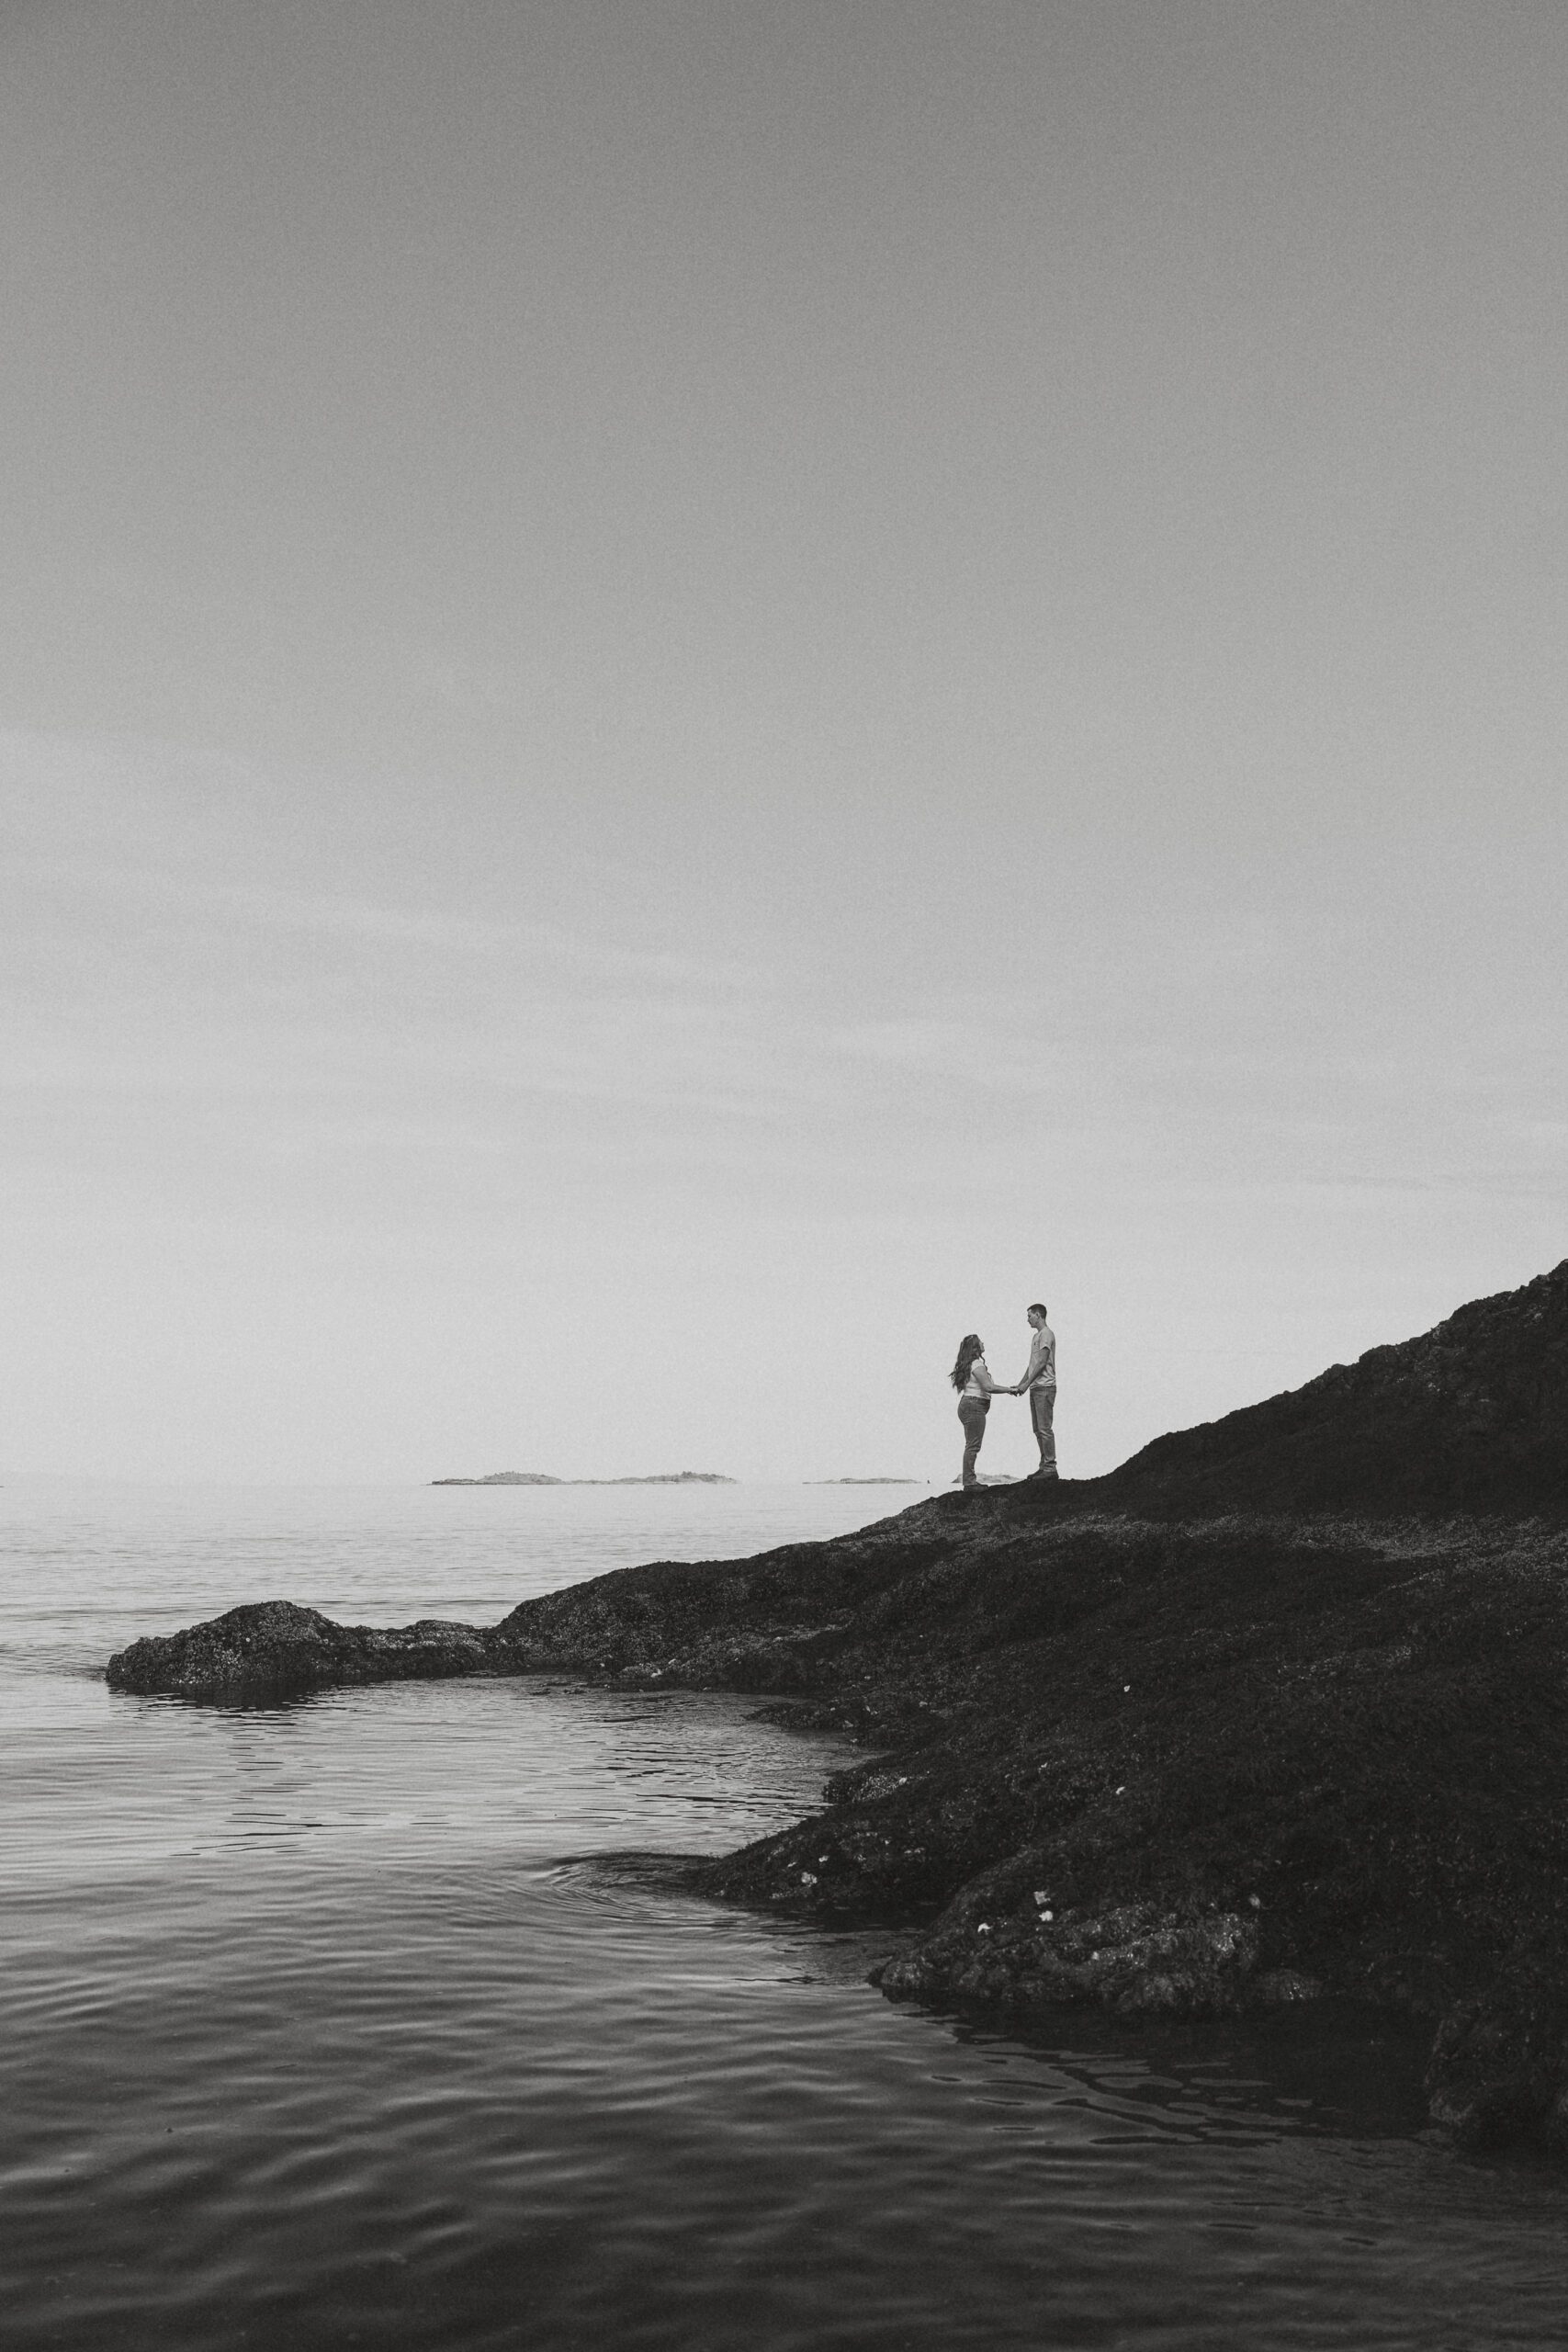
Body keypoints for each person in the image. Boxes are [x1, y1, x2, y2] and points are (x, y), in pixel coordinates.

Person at [950, 1333, 1010, 1489]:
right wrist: (1011, 1389)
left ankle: (969, 1480)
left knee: (971, 1444)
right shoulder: (976, 1364)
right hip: (973, 1406)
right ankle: (969, 1482)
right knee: (973, 1445)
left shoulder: (970, 1364)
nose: (983, 1343)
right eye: (980, 1342)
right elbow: (988, 1387)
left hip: (969, 1405)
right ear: (976, 1347)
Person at [1015, 1302, 1058, 1478]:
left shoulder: (1046, 1334)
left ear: (1038, 1315)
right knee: (1037, 1429)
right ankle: (1044, 1466)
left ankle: (1050, 1467)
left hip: (1045, 1387)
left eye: (1029, 1315)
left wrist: (1026, 1384)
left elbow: (1042, 1362)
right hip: (1036, 1387)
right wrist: (1021, 1384)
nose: (1027, 1320)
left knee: (1045, 1428)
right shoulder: (1036, 1337)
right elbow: (1032, 1364)